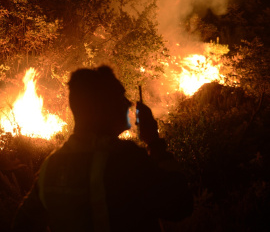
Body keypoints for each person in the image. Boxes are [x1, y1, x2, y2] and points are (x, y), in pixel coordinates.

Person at [12, 65, 193, 232]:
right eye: (119, 96)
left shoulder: (51, 165)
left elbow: (23, 224)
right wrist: (154, 142)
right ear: (102, 108)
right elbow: (180, 205)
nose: (128, 103)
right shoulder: (125, 158)